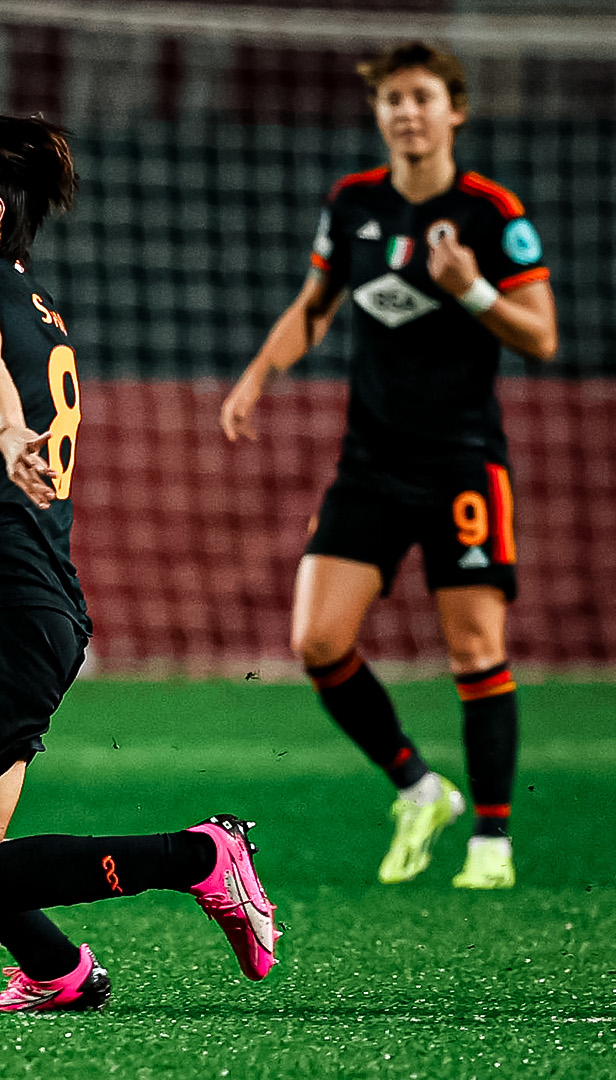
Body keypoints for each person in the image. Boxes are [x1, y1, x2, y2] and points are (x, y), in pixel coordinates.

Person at [0, 114, 278, 1012]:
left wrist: (5, 431)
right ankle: (57, 971)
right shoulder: (30, 302)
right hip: (9, 613)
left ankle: (199, 855)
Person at [220, 42, 556, 890]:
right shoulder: (353, 203)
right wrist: (259, 375)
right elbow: (316, 305)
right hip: (369, 462)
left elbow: (542, 335)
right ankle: (417, 785)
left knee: (475, 649)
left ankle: (491, 842)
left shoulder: (491, 215)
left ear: (455, 112)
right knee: (317, 640)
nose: (406, 113)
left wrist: (474, 289)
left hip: (463, 465)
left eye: (421, 98)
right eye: (393, 100)